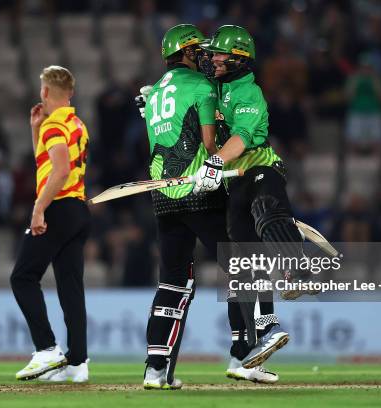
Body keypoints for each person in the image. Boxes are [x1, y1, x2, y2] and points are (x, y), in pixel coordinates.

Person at [137, 24, 278, 390]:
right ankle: (244, 352)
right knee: (243, 264)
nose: (205, 56)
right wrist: (220, 163)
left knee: (172, 282)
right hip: (200, 192)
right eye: (198, 51)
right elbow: (211, 142)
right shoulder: (202, 87)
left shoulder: (154, 96)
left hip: (163, 196)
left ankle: (156, 369)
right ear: (185, 54)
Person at [196, 25, 317, 369]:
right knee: (248, 260)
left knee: (267, 210)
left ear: (238, 59)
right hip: (235, 183)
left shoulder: (249, 93)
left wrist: (216, 162)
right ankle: (268, 326)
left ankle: (297, 271)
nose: (213, 58)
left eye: (219, 54)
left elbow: (242, 138)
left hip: (261, 168)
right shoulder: (213, 90)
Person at [11, 66, 90, 383]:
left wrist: (38, 209)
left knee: (22, 277)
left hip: (57, 207)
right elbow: (48, 164)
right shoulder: (76, 124)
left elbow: (59, 171)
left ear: (45, 92)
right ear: (70, 93)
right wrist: (35, 130)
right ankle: (78, 362)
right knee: (71, 289)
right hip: (77, 210)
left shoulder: (54, 125)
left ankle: (46, 350)